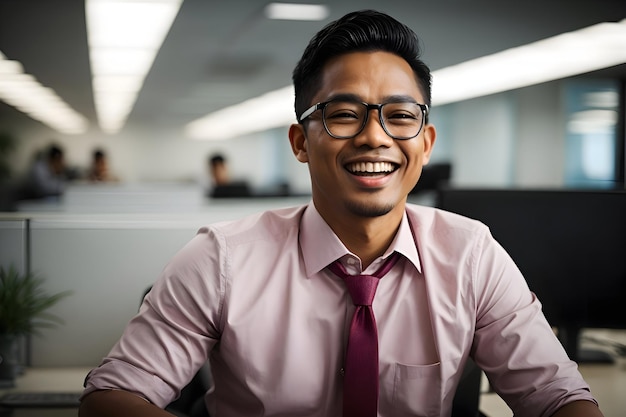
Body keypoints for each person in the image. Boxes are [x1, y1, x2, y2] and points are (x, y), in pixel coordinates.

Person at [79, 10, 604, 417]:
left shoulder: (472, 256)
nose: (375, 136)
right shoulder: (220, 259)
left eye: (400, 116)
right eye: (344, 114)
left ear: (425, 143)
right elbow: (110, 398)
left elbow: (559, 399)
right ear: (300, 142)